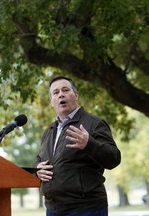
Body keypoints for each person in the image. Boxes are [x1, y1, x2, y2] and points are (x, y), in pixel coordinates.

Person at [34, 76, 121, 216]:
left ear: (76, 95)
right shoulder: (49, 132)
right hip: (53, 208)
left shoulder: (94, 123)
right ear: (52, 102)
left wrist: (89, 144)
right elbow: (40, 158)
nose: (60, 94)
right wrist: (37, 167)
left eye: (65, 90)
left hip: (86, 208)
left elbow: (114, 158)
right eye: (55, 93)